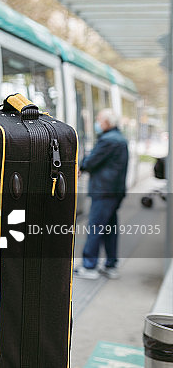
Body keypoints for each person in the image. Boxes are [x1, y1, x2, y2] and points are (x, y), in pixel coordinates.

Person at [76, 109, 129, 280]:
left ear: (107, 122)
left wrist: (81, 167)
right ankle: (111, 265)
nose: (97, 123)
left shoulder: (108, 140)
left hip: (104, 191)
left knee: (95, 227)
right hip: (115, 191)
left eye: (99, 120)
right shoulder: (119, 138)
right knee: (110, 229)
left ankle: (89, 266)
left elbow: (92, 161)